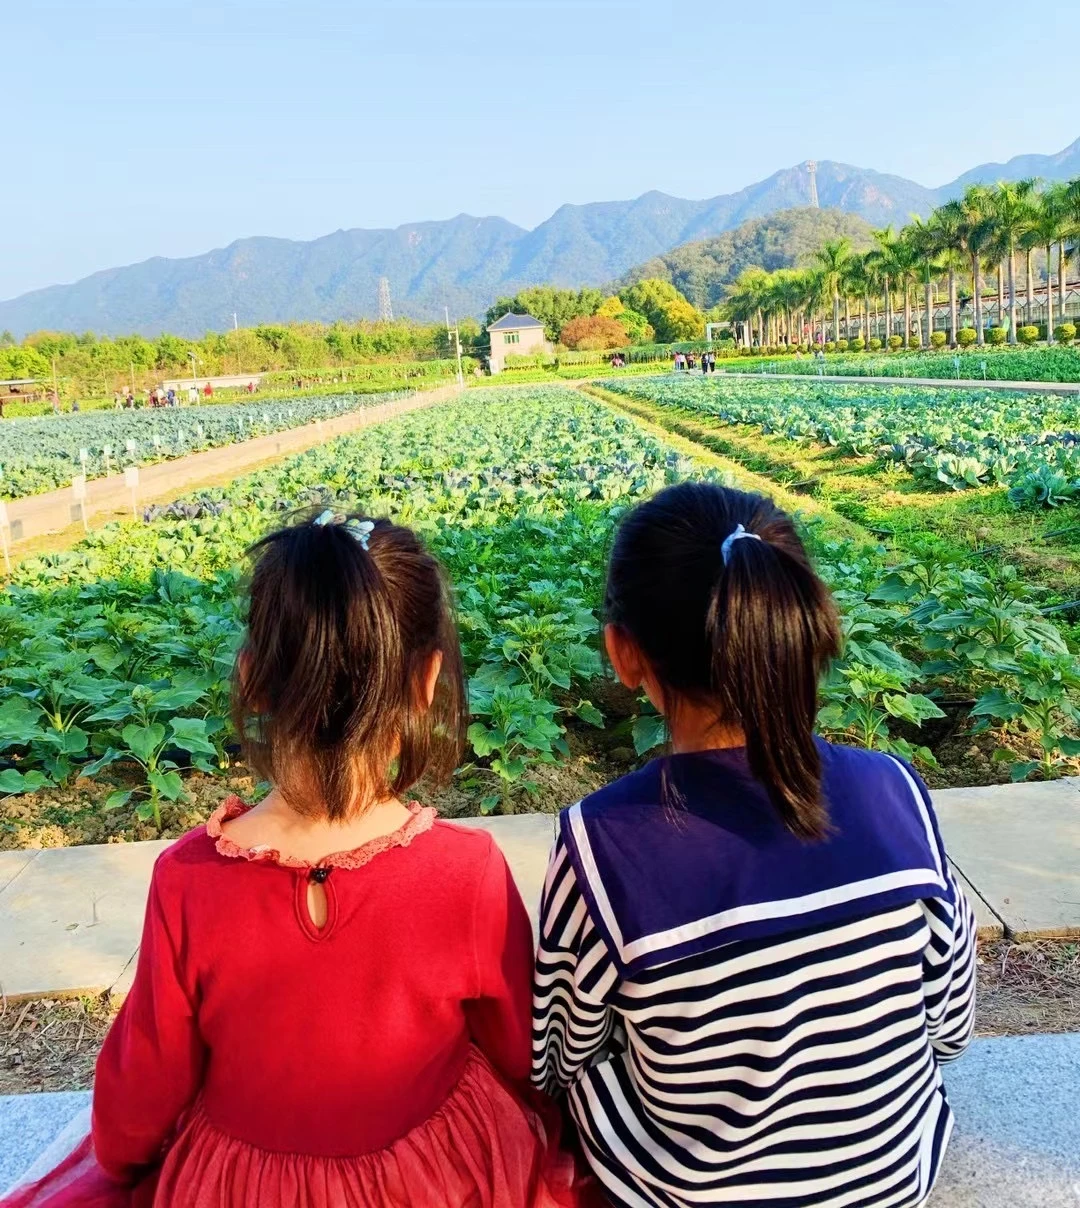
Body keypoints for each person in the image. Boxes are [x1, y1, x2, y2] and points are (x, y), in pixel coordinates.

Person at [7, 511, 576, 1208]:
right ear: (427, 681)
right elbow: (521, 1051)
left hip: (238, 1188)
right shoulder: (469, 871)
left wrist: (123, 1169)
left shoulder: (189, 880)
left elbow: (142, 1091)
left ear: (252, 680)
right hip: (434, 1177)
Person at [533, 481, 976, 1208]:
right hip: (890, 1182)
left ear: (624, 653)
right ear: (795, 624)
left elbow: (557, 1054)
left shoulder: (603, 840)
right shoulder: (895, 792)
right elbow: (949, 1026)